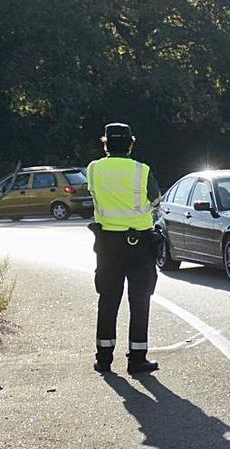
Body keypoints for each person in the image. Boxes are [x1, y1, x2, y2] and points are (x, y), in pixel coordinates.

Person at [88, 122, 162, 374]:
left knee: (108, 300)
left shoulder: (94, 169)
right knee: (139, 301)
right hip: (139, 243)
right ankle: (137, 358)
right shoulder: (142, 171)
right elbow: (156, 200)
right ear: (131, 143)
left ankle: (104, 359)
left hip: (107, 244)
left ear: (106, 143)